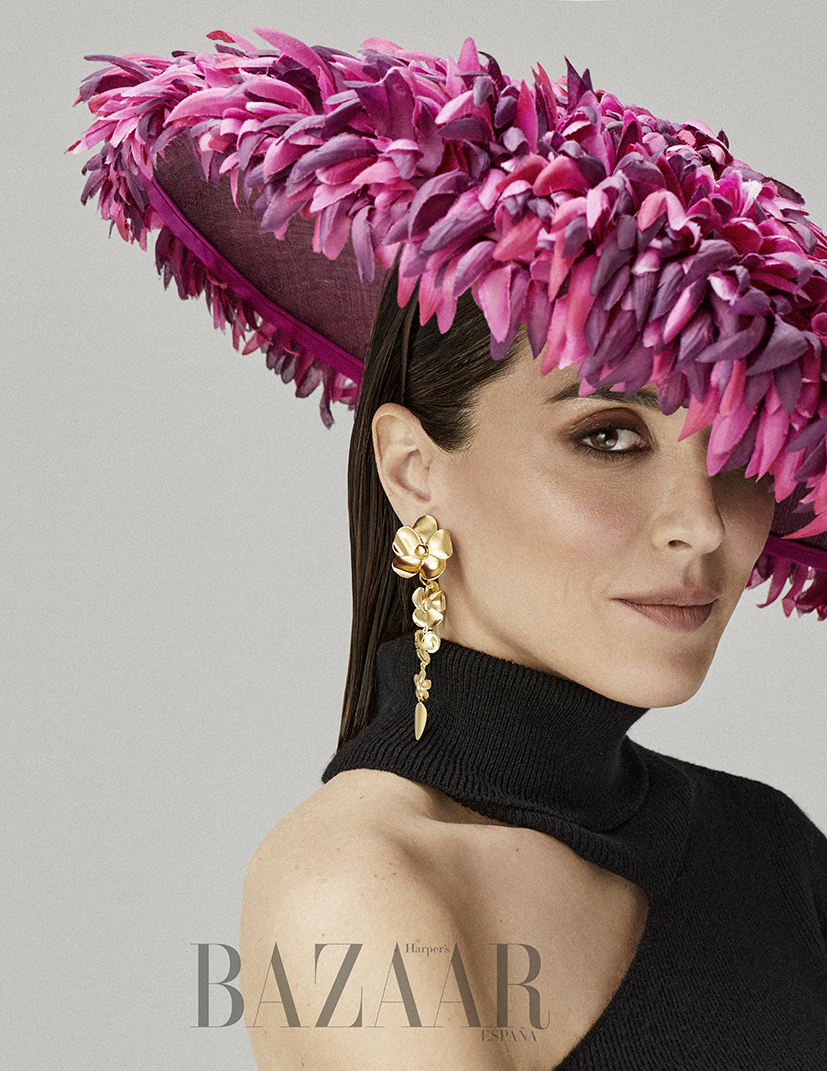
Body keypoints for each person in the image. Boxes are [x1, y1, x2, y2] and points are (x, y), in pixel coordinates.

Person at [73, 29, 827, 1068]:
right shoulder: (356, 885)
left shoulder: (772, 848)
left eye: (738, 449)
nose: (699, 524)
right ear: (413, 469)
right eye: (608, 436)